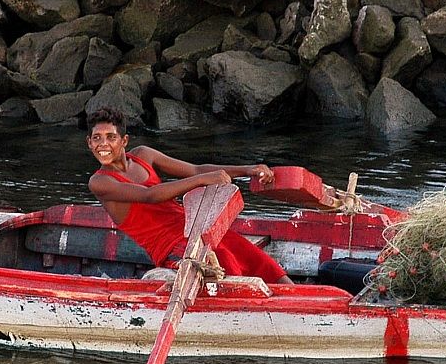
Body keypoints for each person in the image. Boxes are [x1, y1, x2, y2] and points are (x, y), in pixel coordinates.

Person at [85, 107, 292, 284]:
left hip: (195, 227)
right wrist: (203, 180)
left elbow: (195, 169)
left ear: (124, 140)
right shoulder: (100, 182)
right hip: (168, 245)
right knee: (222, 259)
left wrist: (248, 169)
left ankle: (296, 295)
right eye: (97, 138)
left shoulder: (143, 155)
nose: (103, 144)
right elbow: (150, 195)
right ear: (89, 143)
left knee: (253, 255)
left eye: (111, 137)